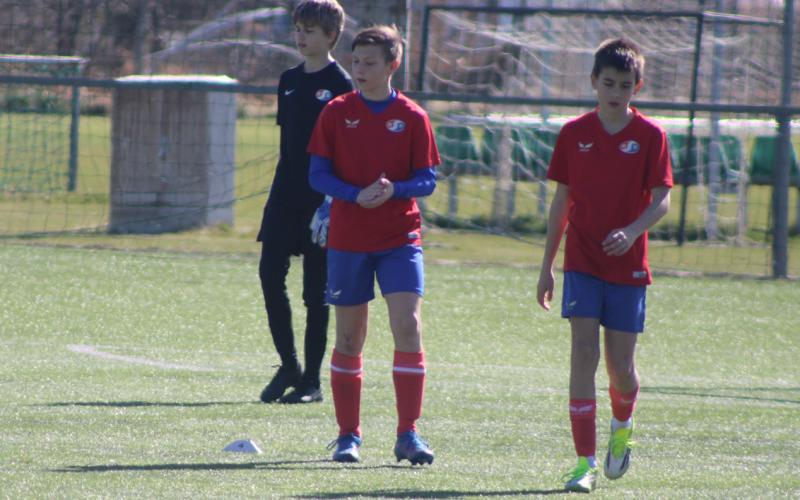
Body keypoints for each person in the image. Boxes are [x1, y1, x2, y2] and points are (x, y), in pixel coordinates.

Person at [535, 38, 673, 493]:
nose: (616, 92)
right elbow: (561, 203)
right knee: (583, 355)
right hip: (581, 260)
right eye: (608, 83)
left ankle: (622, 425)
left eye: (625, 85)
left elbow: (662, 201)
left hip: (628, 267)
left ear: (637, 87)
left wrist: (631, 231)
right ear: (594, 81)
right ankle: (583, 464)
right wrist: (546, 265)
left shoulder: (651, 136)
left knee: (621, 369)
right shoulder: (573, 133)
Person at [307, 25, 440, 464]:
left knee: (408, 326)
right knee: (349, 336)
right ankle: (348, 436)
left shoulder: (413, 116)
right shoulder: (336, 112)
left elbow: (427, 180)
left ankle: (408, 434)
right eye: (356, 61)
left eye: (369, 62)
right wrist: (354, 195)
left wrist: (394, 190)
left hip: (400, 237)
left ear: (392, 65)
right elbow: (317, 175)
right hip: (348, 239)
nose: (359, 69)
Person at [257, 0, 354, 405]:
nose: (300, 36)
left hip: (322, 203)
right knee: (269, 275)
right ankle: (289, 365)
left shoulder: (342, 84)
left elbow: (346, 150)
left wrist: (334, 201)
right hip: (284, 196)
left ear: (330, 36)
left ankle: (311, 382)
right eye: (297, 28)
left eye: (309, 30)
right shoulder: (288, 79)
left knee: (316, 294)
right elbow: (290, 144)